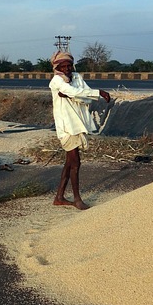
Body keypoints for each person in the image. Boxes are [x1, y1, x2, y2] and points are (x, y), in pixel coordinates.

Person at [49, 51, 111, 210]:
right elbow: (76, 93)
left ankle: (59, 197)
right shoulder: (56, 81)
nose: (67, 68)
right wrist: (99, 93)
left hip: (77, 125)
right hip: (67, 127)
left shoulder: (76, 78)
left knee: (69, 163)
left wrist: (76, 95)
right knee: (75, 162)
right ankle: (77, 199)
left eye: (69, 65)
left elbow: (83, 96)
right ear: (57, 67)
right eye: (63, 66)